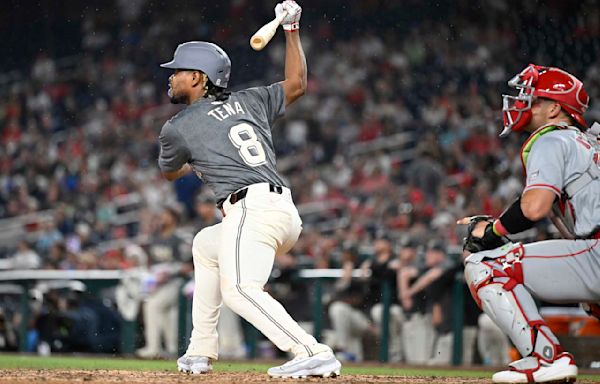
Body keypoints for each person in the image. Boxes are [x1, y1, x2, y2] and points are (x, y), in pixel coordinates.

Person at [156, 0, 341, 378]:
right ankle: (199, 350)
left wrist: (200, 155)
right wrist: (291, 30)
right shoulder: (250, 100)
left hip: (250, 210)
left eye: (177, 72)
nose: (170, 78)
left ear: (196, 77)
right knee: (206, 246)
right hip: (282, 211)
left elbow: (171, 174)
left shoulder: (177, 127)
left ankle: (310, 350)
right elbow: (298, 84)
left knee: (239, 288)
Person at [459, 64, 600, 383]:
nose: (523, 103)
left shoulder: (552, 139)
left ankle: (545, 357)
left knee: (487, 266)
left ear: (554, 108)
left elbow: (534, 207)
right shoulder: (590, 143)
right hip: (593, 250)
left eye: (534, 99)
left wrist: (493, 231)